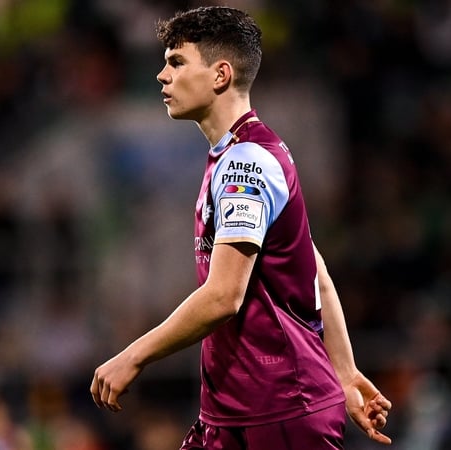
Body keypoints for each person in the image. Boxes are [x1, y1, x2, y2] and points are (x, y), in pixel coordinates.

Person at [90, 6, 393, 449]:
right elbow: (317, 271)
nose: (161, 75)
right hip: (235, 412)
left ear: (220, 75)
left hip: (283, 408)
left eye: (176, 62)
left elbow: (223, 297)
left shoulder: (246, 165)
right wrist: (345, 373)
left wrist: (134, 356)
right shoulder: (237, 157)